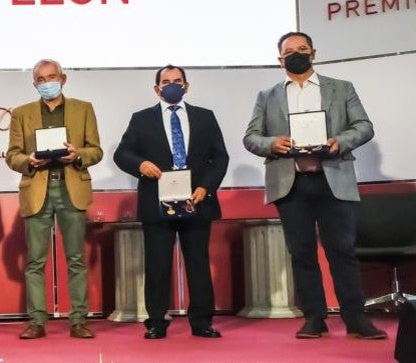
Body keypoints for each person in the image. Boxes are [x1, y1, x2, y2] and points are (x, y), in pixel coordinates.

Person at [243, 32, 386, 340]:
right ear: (280, 59)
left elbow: (364, 126)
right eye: (290, 51)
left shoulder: (341, 88)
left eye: (302, 49)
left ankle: (356, 319)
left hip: (333, 178)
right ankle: (314, 318)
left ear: (314, 53)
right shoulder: (266, 96)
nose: (297, 54)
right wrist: (272, 143)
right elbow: (251, 137)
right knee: (301, 254)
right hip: (290, 183)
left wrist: (340, 141)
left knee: (342, 252)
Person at [114, 66, 228, 339]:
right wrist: (141, 164)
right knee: (158, 264)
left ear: (186, 86)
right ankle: (156, 321)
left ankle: (202, 322)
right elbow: (122, 154)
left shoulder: (205, 117)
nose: (172, 85)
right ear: (156, 89)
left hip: (197, 200)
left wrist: (206, 187)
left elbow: (219, 157)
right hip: (157, 202)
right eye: (166, 82)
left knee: (198, 263)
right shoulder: (141, 119)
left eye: (177, 81)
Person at [4, 58, 102, 340]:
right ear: (35, 83)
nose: (47, 83)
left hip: (72, 187)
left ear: (63, 78)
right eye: (41, 79)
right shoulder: (21, 114)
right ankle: (36, 321)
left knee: (76, 259)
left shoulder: (84, 109)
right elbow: (12, 155)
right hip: (37, 189)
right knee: (35, 260)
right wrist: (30, 160)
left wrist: (78, 155)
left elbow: (95, 150)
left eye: (52, 77)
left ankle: (79, 321)